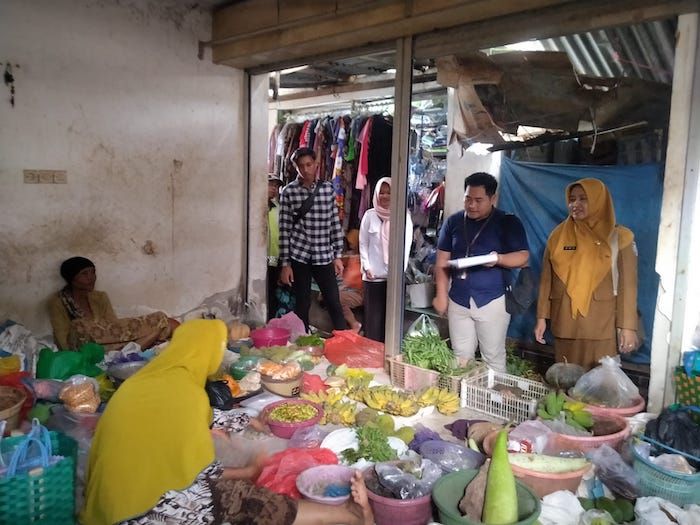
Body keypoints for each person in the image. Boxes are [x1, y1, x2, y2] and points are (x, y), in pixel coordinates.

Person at [81, 319, 374, 525]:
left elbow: (198, 422)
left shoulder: (144, 382)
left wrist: (248, 422)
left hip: (104, 505)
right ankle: (348, 515)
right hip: (143, 511)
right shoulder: (187, 395)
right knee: (244, 500)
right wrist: (250, 470)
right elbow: (199, 472)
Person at [534, 178, 639, 370]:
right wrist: (541, 317)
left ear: (599, 201)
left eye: (584, 199)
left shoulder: (620, 237)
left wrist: (628, 327)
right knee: (565, 380)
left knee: (599, 386)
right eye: (572, 199)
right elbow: (546, 281)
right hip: (565, 322)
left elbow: (629, 286)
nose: (575, 204)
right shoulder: (557, 237)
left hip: (601, 325)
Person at [433, 172, 529, 372]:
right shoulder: (454, 222)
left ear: (493, 198)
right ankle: (461, 399)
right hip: (458, 299)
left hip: (492, 300)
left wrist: (498, 259)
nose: (472, 205)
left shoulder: (507, 222)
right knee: (460, 356)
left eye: (478, 200)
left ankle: (492, 400)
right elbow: (442, 260)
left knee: (492, 357)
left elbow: (523, 257)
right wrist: (441, 294)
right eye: (468, 198)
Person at [278, 147, 346, 331]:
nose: (305, 170)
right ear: (295, 168)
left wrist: (337, 255)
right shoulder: (288, 192)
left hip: (324, 254)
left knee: (333, 300)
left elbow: (334, 223)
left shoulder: (327, 189)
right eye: (301, 166)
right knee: (302, 302)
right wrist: (286, 264)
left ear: (316, 164)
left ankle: (343, 339)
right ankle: (302, 342)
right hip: (299, 255)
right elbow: (284, 229)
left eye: (309, 164)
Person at [48, 256, 178, 352]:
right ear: (72, 279)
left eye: (93, 272)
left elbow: (114, 326)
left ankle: (143, 341)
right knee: (79, 325)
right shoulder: (58, 302)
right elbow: (62, 337)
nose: (91, 277)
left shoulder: (100, 297)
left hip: (110, 341)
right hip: (85, 347)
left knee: (168, 322)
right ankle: (149, 337)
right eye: (84, 274)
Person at [359, 177, 413, 342]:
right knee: (373, 322)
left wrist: (397, 272)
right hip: (373, 277)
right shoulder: (369, 216)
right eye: (381, 192)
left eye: (389, 192)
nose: (385, 196)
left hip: (393, 279)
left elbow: (405, 247)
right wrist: (366, 267)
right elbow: (363, 243)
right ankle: (372, 358)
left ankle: (388, 357)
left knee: (391, 323)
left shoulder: (403, 216)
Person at [339, 229, 364, 333]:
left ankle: (354, 324)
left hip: (358, 293)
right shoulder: (351, 256)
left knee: (335, 297)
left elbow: (353, 281)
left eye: (352, 243)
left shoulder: (361, 259)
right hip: (350, 290)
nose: (350, 245)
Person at [267, 175, 284, 320]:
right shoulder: (255, 207)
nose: (274, 189)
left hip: (274, 256)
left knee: (272, 289)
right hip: (259, 258)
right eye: (271, 185)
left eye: (276, 186)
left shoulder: (278, 208)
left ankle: (271, 319)